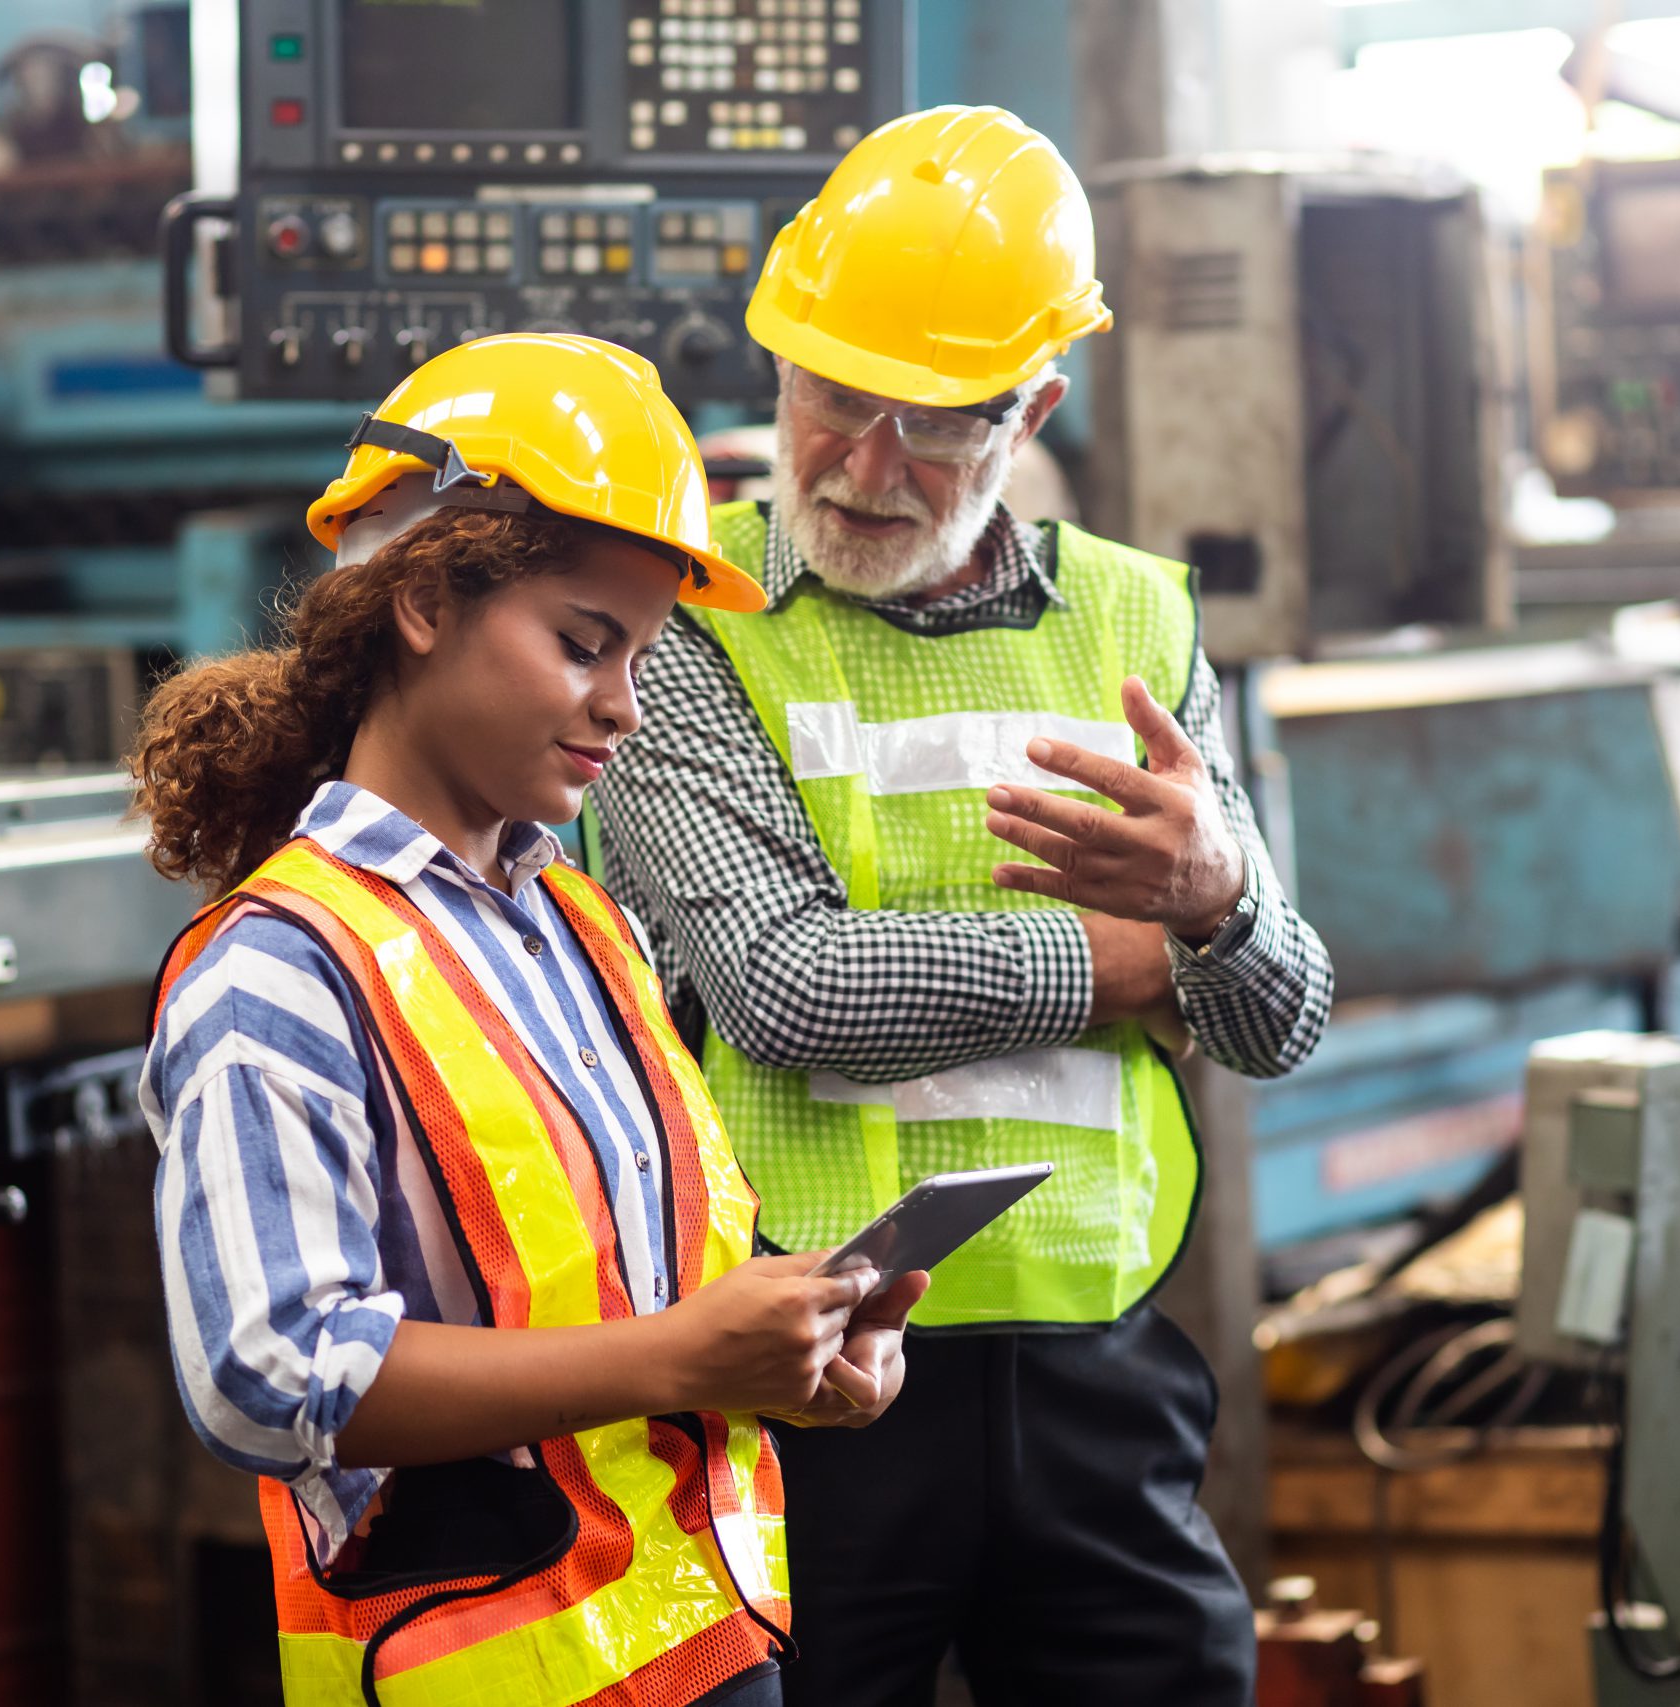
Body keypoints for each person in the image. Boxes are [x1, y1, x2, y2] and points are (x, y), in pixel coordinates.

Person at [589, 109, 1335, 1705]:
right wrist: (1133, 958)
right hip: (801, 1371)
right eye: (831, 397)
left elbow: (1285, 1019)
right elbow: (790, 989)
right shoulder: (690, 622)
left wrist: (1221, 911)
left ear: (1034, 408)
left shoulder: (1136, 620)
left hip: (1101, 1372)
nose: (862, 467)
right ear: (774, 357)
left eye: (931, 423)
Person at [132, 333, 928, 1707]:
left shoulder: (584, 927)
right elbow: (266, 1377)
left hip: (707, 1651)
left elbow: (623, 1285)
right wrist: (684, 1354)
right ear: (426, 602)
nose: (622, 705)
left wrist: (785, 1354)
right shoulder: (279, 967)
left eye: (643, 657)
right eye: (583, 644)